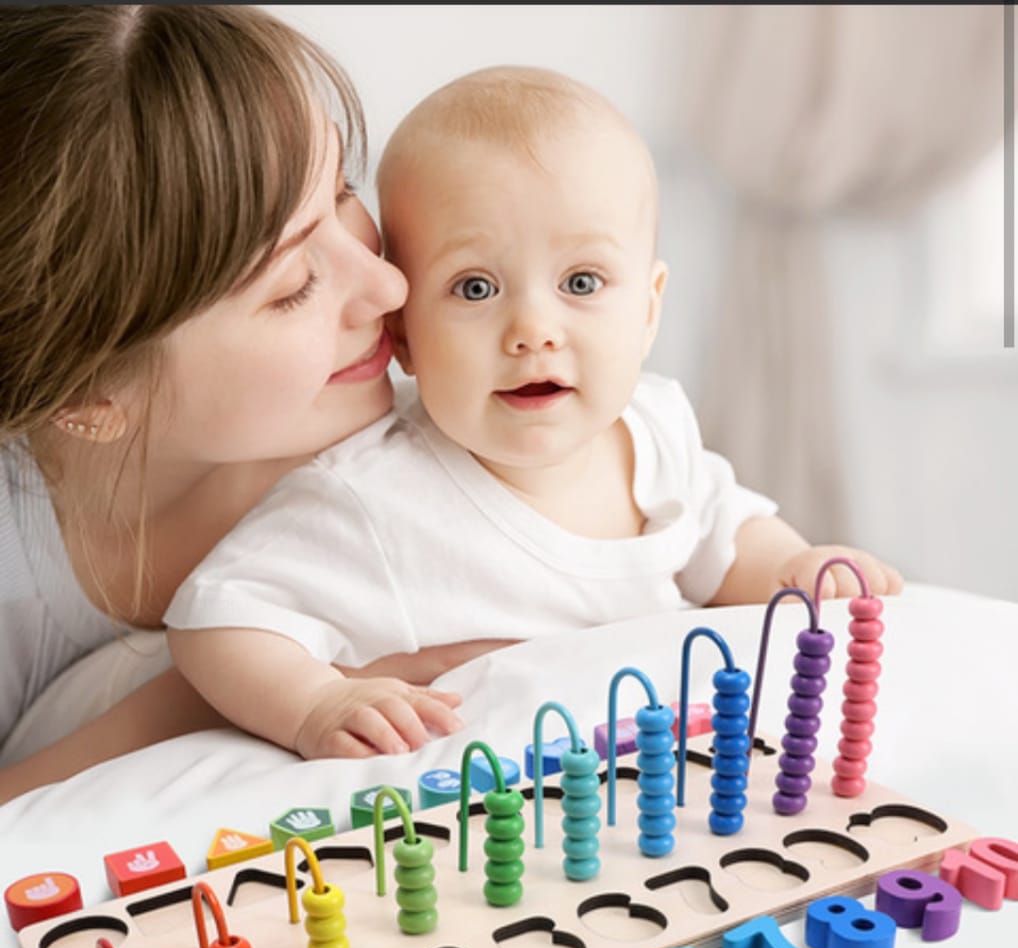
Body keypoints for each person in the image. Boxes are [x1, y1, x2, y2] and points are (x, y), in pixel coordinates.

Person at [166, 66, 904, 761]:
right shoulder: (373, 496)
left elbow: (724, 534)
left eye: (581, 280)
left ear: (648, 310)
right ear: (403, 338)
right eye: (476, 289)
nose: (533, 330)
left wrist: (795, 568)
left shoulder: (655, 425)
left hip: (653, 775)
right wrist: (315, 705)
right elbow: (218, 618)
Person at [0, 5, 467, 807]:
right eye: (292, 290)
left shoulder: (430, 434)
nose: (389, 286)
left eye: (343, 189)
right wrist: (237, 688)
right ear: (89, 397)